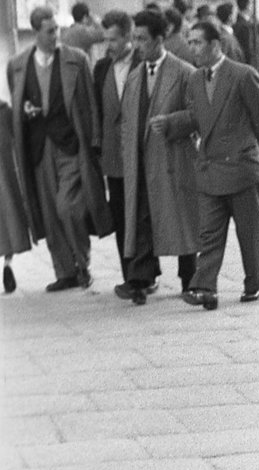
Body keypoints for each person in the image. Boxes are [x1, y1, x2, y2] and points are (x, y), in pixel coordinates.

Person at [155, 17, 259, 309]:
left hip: (242, 170)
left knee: (248, 232)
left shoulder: (243, 75)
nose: (191, 48)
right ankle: (205, 287)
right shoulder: (196, 78)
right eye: (190, 41)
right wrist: (170, 123)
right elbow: (197, 116)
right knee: (209, 234)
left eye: (197, 42)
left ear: (215, 45)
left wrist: (249, 150)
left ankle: (253, 283)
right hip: (209, 169)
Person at [6, 5, 111, 292]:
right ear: (36, 32)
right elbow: (19, 104)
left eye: (58, 30)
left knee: (70, 208)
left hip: (71, 146)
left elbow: (90, 105)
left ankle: (82, 264)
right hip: (39, 149)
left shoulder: (75, 60)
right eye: (50, 31)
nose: (56, 36)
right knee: (50, 213)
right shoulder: (17, 65)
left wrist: (95, 143)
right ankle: (65, 272)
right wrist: (26, 108)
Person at [117, 10, 199, 304]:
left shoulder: (184, 72)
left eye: (142, 39)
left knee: (182, 219)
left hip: (174, 160)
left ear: (159, 39)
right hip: (141, 162)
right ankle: (139, 279)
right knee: (141, 219)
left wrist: (173, 122)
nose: (137, 45)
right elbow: (127, 119)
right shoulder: (136, 75)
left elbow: (200, 115)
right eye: (134, 38)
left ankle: (191, 279)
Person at [93, 10, 140, 285]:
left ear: (128, 36)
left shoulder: (142, 63)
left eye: (113, 39)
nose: (108, 45)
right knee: (120, 213)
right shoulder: (101, 68)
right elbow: (96, 110)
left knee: (141, 214)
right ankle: (129, 275)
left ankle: (145, 271)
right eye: (105, 39)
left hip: (139, 152)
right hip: (113, 153)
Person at [0, 99, 31, 293]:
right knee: (8, 218)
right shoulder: (5, 112)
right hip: (5, 176)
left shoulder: (5, 112)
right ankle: (7, 263)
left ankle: (7, 264)